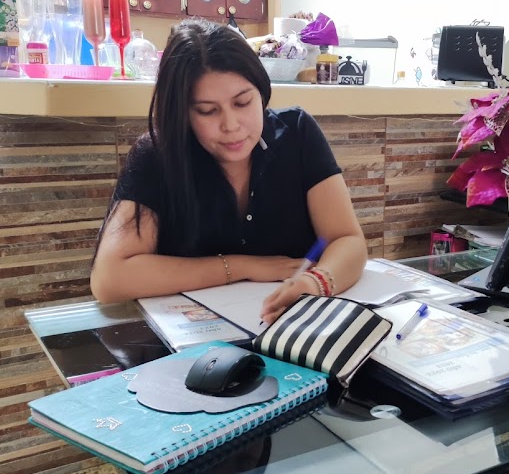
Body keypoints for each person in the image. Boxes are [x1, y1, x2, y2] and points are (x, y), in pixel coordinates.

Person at [90, 18, 367, 324]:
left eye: (243, 102)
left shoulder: (297, 133)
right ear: (182, 113)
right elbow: (110, 279)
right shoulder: (159, 155)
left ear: (261, 92)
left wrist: (315, 283)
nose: (231, 126)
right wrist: (242, 267)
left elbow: (347, 240)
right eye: (207, 111)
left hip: (295, 330)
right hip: (194, 341)